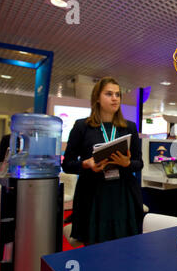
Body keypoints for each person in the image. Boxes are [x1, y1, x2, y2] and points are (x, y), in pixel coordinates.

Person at [62, 76, 144, 245]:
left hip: (123, 193)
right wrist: (86, 163)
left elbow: (139, 163)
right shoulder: (82, 126)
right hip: (93, 194)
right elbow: (67, 164)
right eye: (109, 94)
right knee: (95, 246)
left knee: (125, 244)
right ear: (97, 98)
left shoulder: (129, 127)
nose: (115, 98)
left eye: (117, 94)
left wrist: (127, 164)